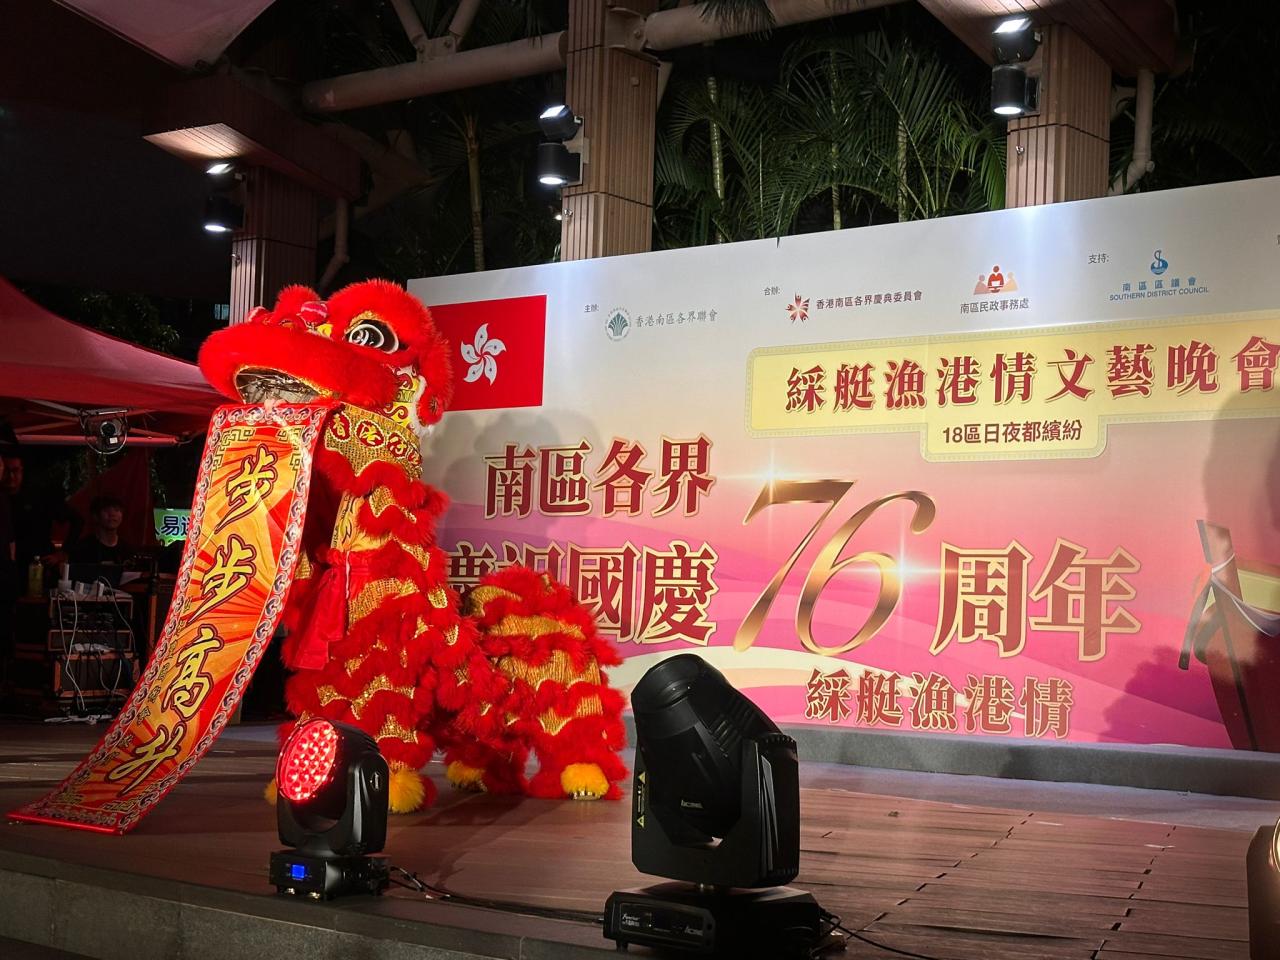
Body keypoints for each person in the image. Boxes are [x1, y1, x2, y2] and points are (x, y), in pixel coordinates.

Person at [69, 494, 132, 564]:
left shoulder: (127, 549)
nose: (112, 514)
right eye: (106, 510)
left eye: (117, 510)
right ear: (95, 516)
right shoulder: (82, 548)